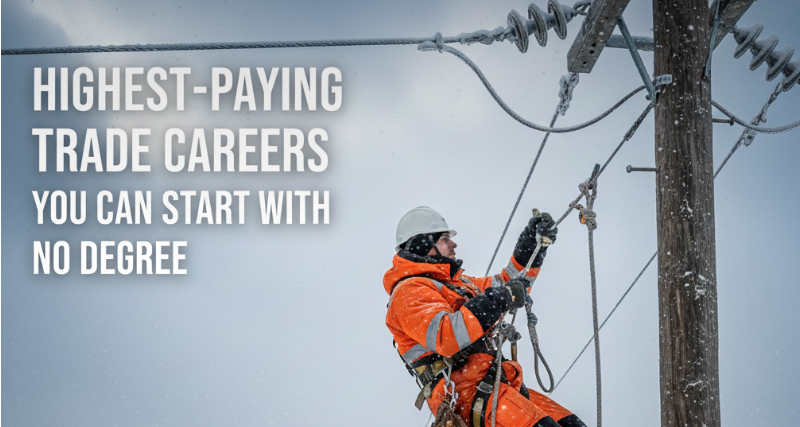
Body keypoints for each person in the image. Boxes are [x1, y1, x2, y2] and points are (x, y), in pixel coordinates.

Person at [384, 206, 586, 427]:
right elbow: (446, 336)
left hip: (496, 384)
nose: (453, 244)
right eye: (444, 239)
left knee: (572, 424)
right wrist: (499, 298)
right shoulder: (408, 292)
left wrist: (530, 246)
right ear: (423, 244)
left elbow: (511, 284)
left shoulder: (458, 286)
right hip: (467, 396)